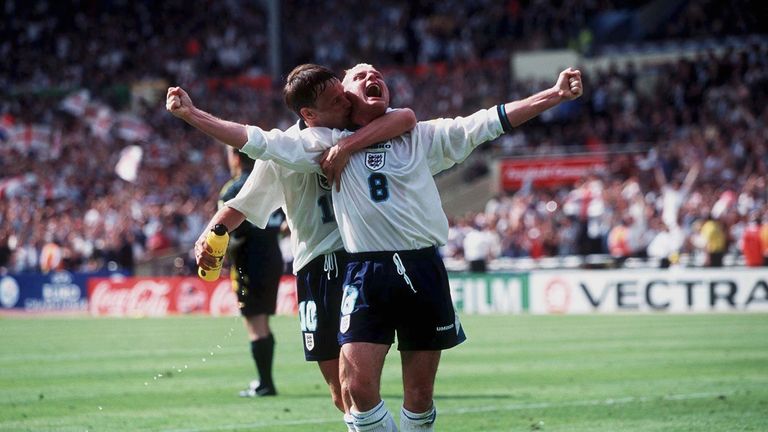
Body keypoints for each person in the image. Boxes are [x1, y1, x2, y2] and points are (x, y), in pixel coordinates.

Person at [234, 63, 583, 431]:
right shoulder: (322, 143)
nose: (373, 78)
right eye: (360, 76)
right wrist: (192, 116)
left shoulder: (420, 136)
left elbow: (486, 122)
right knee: (355, 389)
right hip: (365, 272)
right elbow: (261, 141)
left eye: (377, 75)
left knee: (419, 395)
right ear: (345, 98)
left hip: (422, 268)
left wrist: (555, 95)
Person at [168, 64, 416, 431]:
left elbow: (405, 119)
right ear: (309, 114)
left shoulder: (361, 128)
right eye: (337, 101)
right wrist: (210, 233)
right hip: (314, 267)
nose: (348, 104)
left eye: (344, 95)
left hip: (357, 262)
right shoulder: (284, 151)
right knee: (340, 393)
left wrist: (348, 144)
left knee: (358, 385)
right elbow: (243, 202)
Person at [218, 146, 285, 397]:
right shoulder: (270, 183)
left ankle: (265, 384)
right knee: (263, 321)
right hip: (273, 258)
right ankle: (265, 381)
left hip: (249, 261)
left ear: (235, 157)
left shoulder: (233, 189)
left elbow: (224, 231)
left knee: (255, 323)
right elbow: (281, 224)